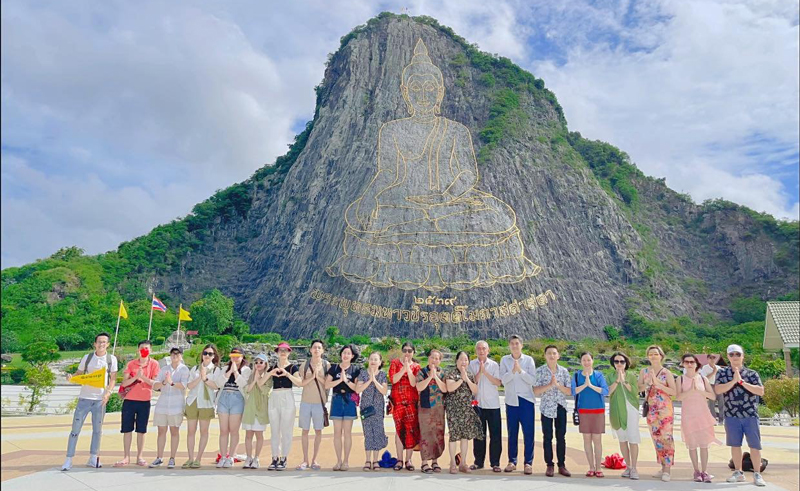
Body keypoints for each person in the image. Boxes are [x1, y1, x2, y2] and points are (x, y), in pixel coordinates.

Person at [326, 38, 540, 290]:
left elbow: (468, 173)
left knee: (494, 217)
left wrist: (446, 197)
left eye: (430, 88)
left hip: (450, 203)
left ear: (440, 91)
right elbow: (388, 172)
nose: (423, 94)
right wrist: (369, 197)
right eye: (416, 88)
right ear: (405, 91)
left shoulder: (455, 130)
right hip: (404, 202)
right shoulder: (392, 129)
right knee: (373, 217)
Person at [62, 332, 118, 471]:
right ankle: (69, 459)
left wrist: (108, 393)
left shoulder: (111, 359)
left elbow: (113, 379)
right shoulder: (87, 358)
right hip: (84, 398)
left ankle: (93, 457)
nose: (101, 344)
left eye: (104, 342)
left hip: (100, 400)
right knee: (75, 429)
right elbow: (79, 373)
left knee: (97, 430)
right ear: (94, 343)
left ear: (108, 344)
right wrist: (71, 377)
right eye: (99, 341)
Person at [715, 344, 766, 487]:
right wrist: (733, 381)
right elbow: (718, 389)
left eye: (738, 354)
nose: (735, 357)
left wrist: (742, 382)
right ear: (728, 357)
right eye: (731, 355)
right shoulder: (722, 373)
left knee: (755, 446)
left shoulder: (752, 374)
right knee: (735, 445)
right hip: (731, 415)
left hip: (750, 415)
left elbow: (760, 391)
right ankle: (738, 472)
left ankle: (757, 473)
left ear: (743, 356)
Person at [677, 353, 722, 482]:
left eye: (692, 362)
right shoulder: (680, 379)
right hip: (688, 416)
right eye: (687, 362)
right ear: (683, 364)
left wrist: (699, 390)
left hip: (703, 415)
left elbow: (713, 396)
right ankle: (696, 471)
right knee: (692, 445)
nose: (689, 364)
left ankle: (705, 471)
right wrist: (690, 390)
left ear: (696, 364)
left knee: (704, 445)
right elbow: (678, 397)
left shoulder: (703, 379)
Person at [115, 340, 159, 467]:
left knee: (141, 430)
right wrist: (136, 377)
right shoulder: (131, 364)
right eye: (141, 348)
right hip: (129, 400)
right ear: (138, 350)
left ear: (151, 350)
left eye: (146, 348)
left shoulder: (154, 364)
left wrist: (143, 377)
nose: (144, 350)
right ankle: (126, 457)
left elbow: (155, 383)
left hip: (144, 401)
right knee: (127, 429)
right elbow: (124, 383)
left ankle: (140, 456)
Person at [638, 345, 676, 482]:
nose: (653, 356)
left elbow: (674, 391)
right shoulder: (644, 371)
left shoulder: (667, 372)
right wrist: (647, 384)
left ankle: (667, 469)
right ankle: (662, 465)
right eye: (650, 354)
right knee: (656, 438)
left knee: (666, 438)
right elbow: (639, 388)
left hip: (665, 409)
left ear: (661, 356)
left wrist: (658, 384)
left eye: (656, 354)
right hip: (651, 409)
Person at [533, 345, 572, 477]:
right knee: (547, 437)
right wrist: (549, 385)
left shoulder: (564, 371)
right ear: (545, 356)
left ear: (558, 356)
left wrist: (557, 385)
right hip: (546, 408)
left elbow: (569, 391)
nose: (552, 356)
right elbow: (535, 391)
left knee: (561, 437)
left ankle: (562, 464)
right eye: (549, 353)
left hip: (560, 407)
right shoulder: (540, 371)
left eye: (554, 353)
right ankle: (549, 465)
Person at [500, 334, 536, 474]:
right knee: (512, 432)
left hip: (526, 400)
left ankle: (528, 462)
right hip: (511, 400)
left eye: (517, 343)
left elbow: (532, 380)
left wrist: (520, 371)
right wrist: (512, 371)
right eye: (512, 344)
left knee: (528, 433)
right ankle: (512, 461)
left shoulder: (528, 360)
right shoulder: (505, 360)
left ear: (522, 345)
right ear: (509, 345)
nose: (514, 346)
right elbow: (503, 380)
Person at [150, 347, 189, 468]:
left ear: (181, 356)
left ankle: (172, 458)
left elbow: (183, 386)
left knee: (174, 431)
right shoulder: (164, 369)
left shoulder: (184, 369)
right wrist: (164, 382)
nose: (175, 356)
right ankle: (159, 457)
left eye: (177, 354)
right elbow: (155, 385)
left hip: (176, 405)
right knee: (161, 431)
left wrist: (171, 382)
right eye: (173, 354)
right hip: (162, 404)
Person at [183, 344, 221, 469]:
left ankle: (198, 458)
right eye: (205, 353)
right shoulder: (194, 368)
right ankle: (190, 458)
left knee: (204, 431)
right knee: (191, 431)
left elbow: (216, 386)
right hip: (193, 401)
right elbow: (189, 386)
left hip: (206, 402)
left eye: (210, 354)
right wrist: (200, 376)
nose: (207, 356)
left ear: (214, 356)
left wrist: (205, 379)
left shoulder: (216, 370)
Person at [571, 352, 609, 478]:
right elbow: (573, 391)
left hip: (598, 410)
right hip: (583, 411)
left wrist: (591, 385)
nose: (586, 362)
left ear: (592, 361)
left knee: (597, 439)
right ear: (581, 362)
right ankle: (591, 467)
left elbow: (605, 391)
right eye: (584, 360)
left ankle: (598, 467)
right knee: (586, 439)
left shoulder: (598, 375)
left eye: (588, 360)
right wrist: (584, 385)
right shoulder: (576, 376)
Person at [444, 351, 482, 474]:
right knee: (453, 436)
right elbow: (450, 388)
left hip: (466, 409)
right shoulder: (451, 373)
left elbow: (475, 390)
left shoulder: (470, 375)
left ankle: (463, 462)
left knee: (465, 437)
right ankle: (453, 464)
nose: (463, 362)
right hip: (453, 409)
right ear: (456, 361)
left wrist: (467, 379)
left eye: (466, 360)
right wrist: (461, 379)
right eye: (461, 359)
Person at [212, 346, 250, 468]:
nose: (235, 358)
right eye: (233, 356)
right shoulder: (224, 368)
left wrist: (236, 372)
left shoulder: (246, 370)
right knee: (223, 430)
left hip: (237, 398)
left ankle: (231, 456)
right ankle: (223, 456)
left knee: (234, 430)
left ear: (242, 356)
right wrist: (229, 371)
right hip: (224, 398)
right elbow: (218, 384)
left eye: (238, 356)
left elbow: (244, 384)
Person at [265, 342, 301, 471]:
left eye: (285, 350)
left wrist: (287, 374)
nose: (283, 352)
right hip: (275, 396)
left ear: (289, 352)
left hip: (287, 396)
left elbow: (299, 383)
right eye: (280, 350)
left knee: (286, 430)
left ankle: (284, 457)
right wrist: (271, 373)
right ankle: (275, 457)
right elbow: (262, 381)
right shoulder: (273, 367)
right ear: (277, 352)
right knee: (274, 430)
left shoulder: (292, 367)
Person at [468, 340, 502, 472]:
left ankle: (495, 463)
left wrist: (485, 372)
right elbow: (471, 381)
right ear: (476, 350)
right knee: (479, 435)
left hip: (493, 405)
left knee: (495, 435)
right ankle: (478, 462)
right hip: (477, 405)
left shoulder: (493, 365)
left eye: (484, 349)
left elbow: (498, 383)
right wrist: (480, 372)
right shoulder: (471, 364)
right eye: (479, 349)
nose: (481, 351)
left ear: (488, 351)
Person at [326, 344, 362, 471]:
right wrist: (339, 380)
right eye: (344, 352)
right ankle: (338, 461)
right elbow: (326, 384)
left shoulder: (355, 369)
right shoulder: (334, 368)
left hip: (349, 400)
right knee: (337, 432)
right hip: (336, 399)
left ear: (352, 356)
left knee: (347, 433)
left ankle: (346, 461)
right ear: (341, 354)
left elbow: (356, 388)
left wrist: (346, 380)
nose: (346, 355)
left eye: (348, 353)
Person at [296, 339, 329, 470]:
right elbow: (300, 383)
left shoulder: (327, 365)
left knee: (318, 431)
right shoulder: (304, 365)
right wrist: (312, 376)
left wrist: (317, 376)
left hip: (319, 403)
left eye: (319, 348)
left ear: (323, 350)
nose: (316, 350)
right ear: (310, 350)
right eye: (314, 347)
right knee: (304, 431)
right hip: (305, 402)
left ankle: (315, 459)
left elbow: (327, 384)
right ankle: (305, 460)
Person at [389, 342, 421, 471]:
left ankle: (409, 460)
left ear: (413, 352)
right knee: (398, 430)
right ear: (402, 351)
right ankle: (399, 459)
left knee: (410, 431)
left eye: (410, 351)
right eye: (405, 350)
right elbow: (393, 380)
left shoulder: (417, 366)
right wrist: (403, 368)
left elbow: (414, 383)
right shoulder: (395, 363)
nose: (407, 353)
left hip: (411, 402)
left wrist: (409, 368)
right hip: (397, 402)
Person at [608, 352, 640, 480]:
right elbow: (608, 392)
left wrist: (624, 381)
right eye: (616, 362)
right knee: (622, 439)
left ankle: (634, 468)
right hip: (617, 410)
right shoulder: (610, 376)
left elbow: (635, 391)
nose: (619, 364)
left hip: (630, 409)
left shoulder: (631, 376)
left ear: (626, 363)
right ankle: (628, 466)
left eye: (622, 361)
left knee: (632, 438)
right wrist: (617, 380)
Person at [416, 348, 448, 473]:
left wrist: (436, 377)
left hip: (439, 408)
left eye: (437, 358)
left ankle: (435, 461)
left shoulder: (443, 373)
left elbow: (445, 389)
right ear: (428, 358)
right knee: (425, 434)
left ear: (440, 361)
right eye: (432, 357)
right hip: (425, 407)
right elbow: (418, 386)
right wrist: (430, 377)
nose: (434, 360)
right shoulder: (422, 372)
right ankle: (424, 462)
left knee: (438, 434)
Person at [356, 351, 389, 470]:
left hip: (378, 408)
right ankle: (367, 460)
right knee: (368, 433)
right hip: (365, 407)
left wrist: (375, 380)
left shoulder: (382, 375)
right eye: (371, 359)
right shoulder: (363, 374)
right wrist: (369, 380)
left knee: (378, 432)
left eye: (376, 359)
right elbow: (358, 389)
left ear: (380, 362)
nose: (373, 362)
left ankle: (375, 460)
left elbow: (384, 391)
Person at [242, 353, 271, 469]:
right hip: (250, 408)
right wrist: (254, 379)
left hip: (261, 409)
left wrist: (259, 379)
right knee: (248, 434)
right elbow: (247, 390)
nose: (258, 364)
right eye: (256, 362)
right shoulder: (250, 375)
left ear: (265, 364)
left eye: (261, 362)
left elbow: (265, 390)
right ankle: (249, 457)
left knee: (259, 434)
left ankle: (256, 457)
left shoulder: (268, 376)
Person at [701, 353, 725, 424]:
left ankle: (722, 419)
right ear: (708, 359)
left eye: (714, 358)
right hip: (710, 386)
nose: (712, 359)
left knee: (722, 402)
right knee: (711, 404)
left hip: (718, 385)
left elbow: (722, 378)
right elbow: (704, 378)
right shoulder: (705, 368)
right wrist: (713, 372)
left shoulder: (719, 368)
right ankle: (713, 419)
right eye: (710, 358)